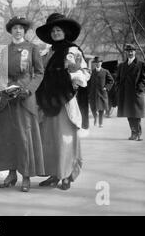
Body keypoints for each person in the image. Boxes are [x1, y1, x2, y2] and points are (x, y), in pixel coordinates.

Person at [35, 13, 90, 190]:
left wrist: (75, 77)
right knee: (49, 139)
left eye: (59, 30)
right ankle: (54, 173)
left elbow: (83, 73)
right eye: (53, 31)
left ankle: (67, 175)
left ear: (65, 32)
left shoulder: (73, 50)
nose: (56, 33)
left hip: (65, 101)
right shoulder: (47, 52)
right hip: (46, 100)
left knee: (66, 139)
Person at [0, 17, 45, 192]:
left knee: (24, 136)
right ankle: (11, 173)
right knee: (8, 136)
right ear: (10, 31)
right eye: (14, 28)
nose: (18, 31)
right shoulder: (5, 50)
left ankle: (26, 175)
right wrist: (2, 88)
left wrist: (28, 90)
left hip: (25, 97)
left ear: (25, 31)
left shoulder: (33, 49)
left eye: (21, 28)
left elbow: (39, 73)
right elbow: (0, 74)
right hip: (8, 98)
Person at [116, 44, 145, 141]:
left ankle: (138, 133)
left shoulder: (141, 64)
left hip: (136, 93)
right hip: (125, 94)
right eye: (128, 51)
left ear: (135, 52)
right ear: (126, 52)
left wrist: (139, 88)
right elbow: (117, 79)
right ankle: (133, 132)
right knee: (129, 115)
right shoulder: (122, 65)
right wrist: (119, 88)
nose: (130, 53)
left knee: (136, 115)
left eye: (132, 51)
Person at [88, 56, 114, 128]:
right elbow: (89, 82)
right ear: (94, 64)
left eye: (99, 62)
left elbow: (111, 81)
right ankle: (95, 118)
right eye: (96, 63)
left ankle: (100, 123)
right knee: (93, 107)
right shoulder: (92, 72)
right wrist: (89, 91)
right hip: (93, 93)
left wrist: (106, 87)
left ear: (101, 63)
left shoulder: (105, 71)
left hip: (102, 93)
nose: (98, 64)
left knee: (101, 108)